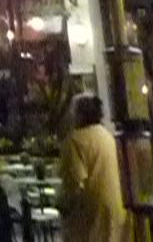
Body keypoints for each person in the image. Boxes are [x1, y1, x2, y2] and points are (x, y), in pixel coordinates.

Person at [59, 94, 127, 242]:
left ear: (79, 115)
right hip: (117, 210)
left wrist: (62, 206)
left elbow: (75, 186)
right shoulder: (108, 136)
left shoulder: (74, 141)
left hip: (91, 216)